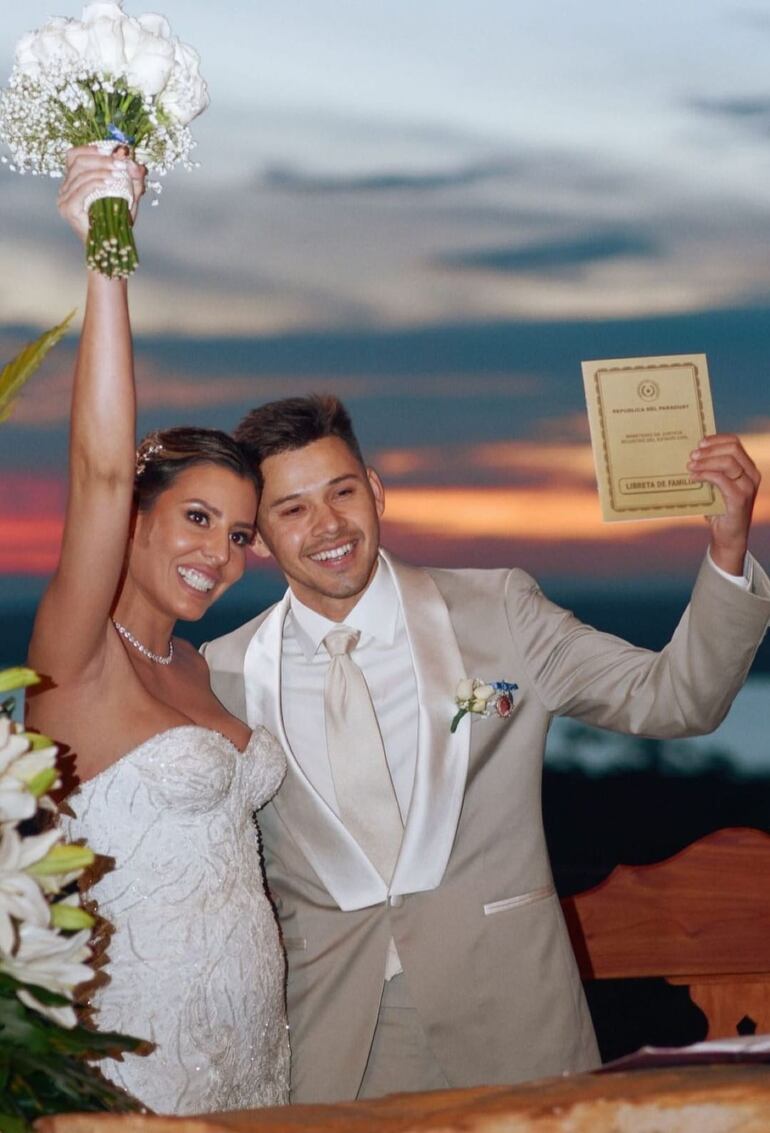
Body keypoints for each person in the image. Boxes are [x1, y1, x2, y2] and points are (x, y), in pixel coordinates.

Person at [202, 393, 770, 1104]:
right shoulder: (220, 671)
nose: (328, 525)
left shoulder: (499, 608)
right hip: (332, 1045)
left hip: (514, 1021)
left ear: (375, 492)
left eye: (342, 492)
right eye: (293, 509)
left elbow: (676, 698)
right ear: (258, 536)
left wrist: (725, 549)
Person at [26, 148, 290, 1116]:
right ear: (133, 517)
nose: (219, 553)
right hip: (137, 1057)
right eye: (195, 518)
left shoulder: (196, 667)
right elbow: (97, 466)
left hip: (257, 1048)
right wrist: (107, 246)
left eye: (238, 534)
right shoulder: (73, 657)